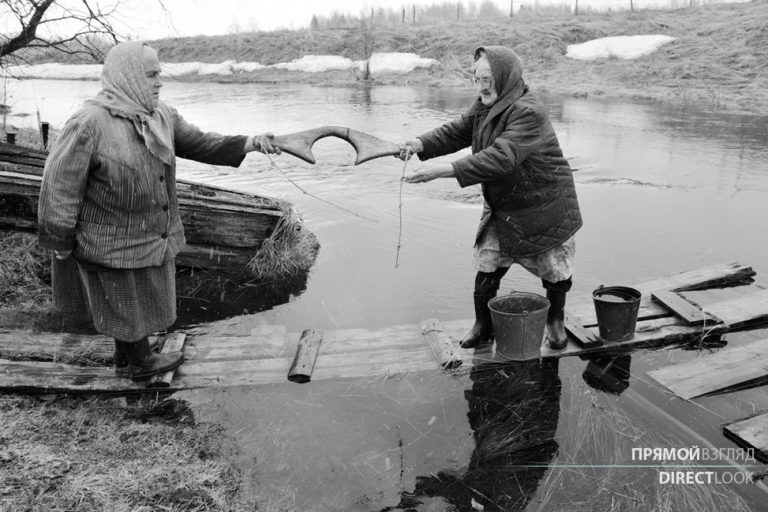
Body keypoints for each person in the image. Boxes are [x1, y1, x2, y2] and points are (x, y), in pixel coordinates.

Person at [37, 41, 279, 381]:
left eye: (159, 74)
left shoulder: (160, 114)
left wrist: (251, 142)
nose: (159, 82)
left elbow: (200, 142)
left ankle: (129, 356)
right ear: (130, 75)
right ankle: (141, 363)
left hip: (151, 232)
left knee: (137, 301)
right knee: (122, 300)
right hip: (109, 237)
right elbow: (59, 186)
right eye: (151, 75)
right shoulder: (88, 122)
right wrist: (59, 239)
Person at [398, 45, 582, 351]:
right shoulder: (486, 104)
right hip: (505, 203)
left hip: (544, 203)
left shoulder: (529, 111)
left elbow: (501, 157)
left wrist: (443, 171)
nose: (480, 86)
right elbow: (458, 131)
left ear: (505, 79)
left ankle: (555, 321)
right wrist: (420, 144)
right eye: (476, 78)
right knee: (487, 265)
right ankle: (483, 325)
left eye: (487, 79)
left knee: (554, 270)